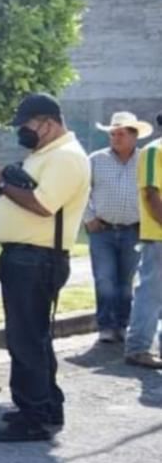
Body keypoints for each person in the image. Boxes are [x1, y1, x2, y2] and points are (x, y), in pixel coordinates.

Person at [0, 93, 89, 442]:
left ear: (48, 123)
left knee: (26, 340)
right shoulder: (47, 154)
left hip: (37, 259)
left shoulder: (66, 157)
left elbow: (42, 206)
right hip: (27, 258)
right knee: (33, 339)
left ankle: (35, 416)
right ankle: (43, 405)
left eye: (26, 126)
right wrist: (5, 184)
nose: (21, 133)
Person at [86, 112, 150, 345]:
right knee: (104, 279)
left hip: (133, 230)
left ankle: (122, 325)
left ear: (134, 136)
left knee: (126, 282)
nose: (115, 138)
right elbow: (81, 190)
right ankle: (105, 326)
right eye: (112, 134)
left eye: (121, 134)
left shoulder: (145, 160)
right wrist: (88, 217)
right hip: (102, 230)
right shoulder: (95, 159)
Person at [125, 115, 162, 368]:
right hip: (158, 235)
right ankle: (138, 348)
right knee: (150, 293)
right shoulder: (154, 151)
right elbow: (150, 194)